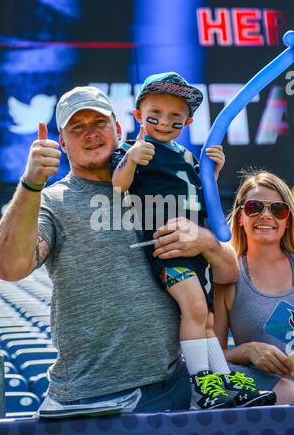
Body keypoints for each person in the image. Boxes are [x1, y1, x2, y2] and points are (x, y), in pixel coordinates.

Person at [0, 85, 239, 416]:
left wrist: (206, 241)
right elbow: (9, 268)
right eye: (76, 128)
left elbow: (229, 272)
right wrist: (31, 183)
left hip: (174, 387)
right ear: (63, 144)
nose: (91, 134)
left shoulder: (170, 185)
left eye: (99, 122)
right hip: (91, 400)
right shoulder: (51, 201)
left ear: (119, 129)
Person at [111, 72, 276, 410]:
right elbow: (118, 184)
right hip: (167, 246)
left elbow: (197, 197)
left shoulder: (187, 158)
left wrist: (210, 176)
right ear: (139, 116)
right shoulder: (134, 149)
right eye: (156, 114)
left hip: (196, 249)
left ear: (186, 122)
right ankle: (202, 386)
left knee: (211, 320)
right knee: (196, 308)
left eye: (176, 117)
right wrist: (132, 158)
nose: (165, 121)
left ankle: (221, 379)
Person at [214, 169, 294, 405]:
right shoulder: (227, 277)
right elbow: (212, 360)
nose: (266, 216)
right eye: (254, 207)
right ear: (240, 217)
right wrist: (248, 351)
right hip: (260, 393)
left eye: (278, 209)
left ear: (288, 220)